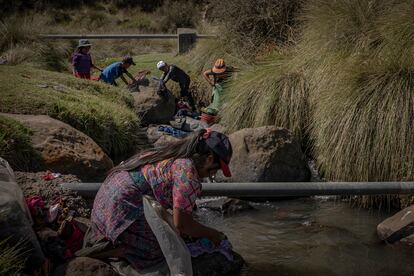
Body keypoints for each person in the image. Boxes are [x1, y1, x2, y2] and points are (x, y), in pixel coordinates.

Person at [88, 129, 232, 272]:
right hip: (123, 205)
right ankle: (117, 251)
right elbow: (182, 224)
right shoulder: (187, 173)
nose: (213, 174)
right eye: (216, 169)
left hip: (104, 202)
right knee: (165, 248)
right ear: (210, 159)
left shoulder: (171, 153)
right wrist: (212, 234)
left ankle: (114, 241)